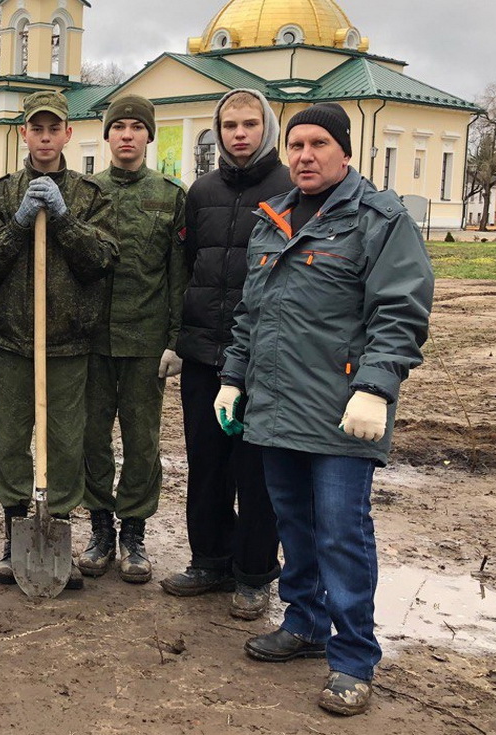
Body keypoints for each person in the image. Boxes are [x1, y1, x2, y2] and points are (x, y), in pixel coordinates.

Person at [218, 102, 434, 716]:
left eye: (318, 144)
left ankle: (353, 659)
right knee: (294, 523)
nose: (305, 156)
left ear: (345, 151)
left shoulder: (378, 219)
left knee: (342, 532)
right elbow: (252, 314)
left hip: (343, 409)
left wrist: (376, 386)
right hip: (277, 406)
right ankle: (306, 621)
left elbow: (400, 312)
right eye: (296, 146)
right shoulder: (275, 217)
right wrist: (233, 379)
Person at [0, 91, 117, 589]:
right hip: (13, 343)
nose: (46, 137)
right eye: (38, 128)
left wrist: (63, 219)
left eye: (55, 128)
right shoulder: (0, 195)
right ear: (25, 134)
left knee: (65, 444)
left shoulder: (89, 196)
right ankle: (15, 538)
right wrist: (16, 226)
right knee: (11, 443)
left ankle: (58, 533)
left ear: (69, 134)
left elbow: (100, 261)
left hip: (69, 344)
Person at [161, 89, 292, 618]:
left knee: (255, 467)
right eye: (230, 124)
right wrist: (181, 338)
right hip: (203, 351)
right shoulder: (202, 190)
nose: (239, 133)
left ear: (268, 129)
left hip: (264, 357)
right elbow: (194, 263)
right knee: (207, 460)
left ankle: (254, 572)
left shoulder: (289, 187)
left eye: (250, 124)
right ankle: (208, 559)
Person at [80, 94, 187, 585]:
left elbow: (178, 274)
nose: (126, 135)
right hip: (91, 341)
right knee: (91, 438)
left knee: (141, 441)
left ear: (149, 136)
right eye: (118, 127)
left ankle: (134, 534)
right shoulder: (86, 191)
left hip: (146, 341)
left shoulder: (170, 195)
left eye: (135, 127)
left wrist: (176, 339)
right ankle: (100, 528)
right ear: (106, 136)